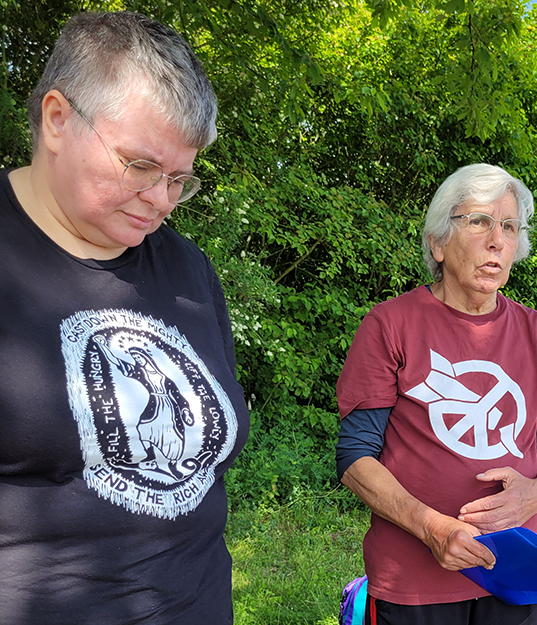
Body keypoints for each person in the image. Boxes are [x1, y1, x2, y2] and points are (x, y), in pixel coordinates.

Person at [0, 11, 249, 624]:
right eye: (140, 166)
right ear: (57, 120)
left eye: (180, 179)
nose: (161, 199)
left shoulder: (190, 270)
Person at [335, 163, 537, 624]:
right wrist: (432, 528)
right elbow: (355, 456)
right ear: (438, 242)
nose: (497, 240)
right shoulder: (390, 324)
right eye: (479, 221)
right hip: (413, 582)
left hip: (516, 574)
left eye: (509, 226)